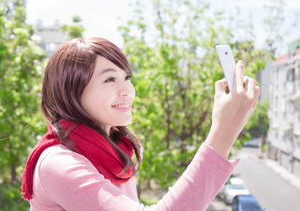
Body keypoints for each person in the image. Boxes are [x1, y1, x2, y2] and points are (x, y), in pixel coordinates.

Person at [21, 37, 260, 211]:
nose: (127, 91)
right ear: (71, 93)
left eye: (126, 77)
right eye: (110, 79)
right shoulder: (59, 163)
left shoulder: (113, 149)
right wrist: (223, 132)